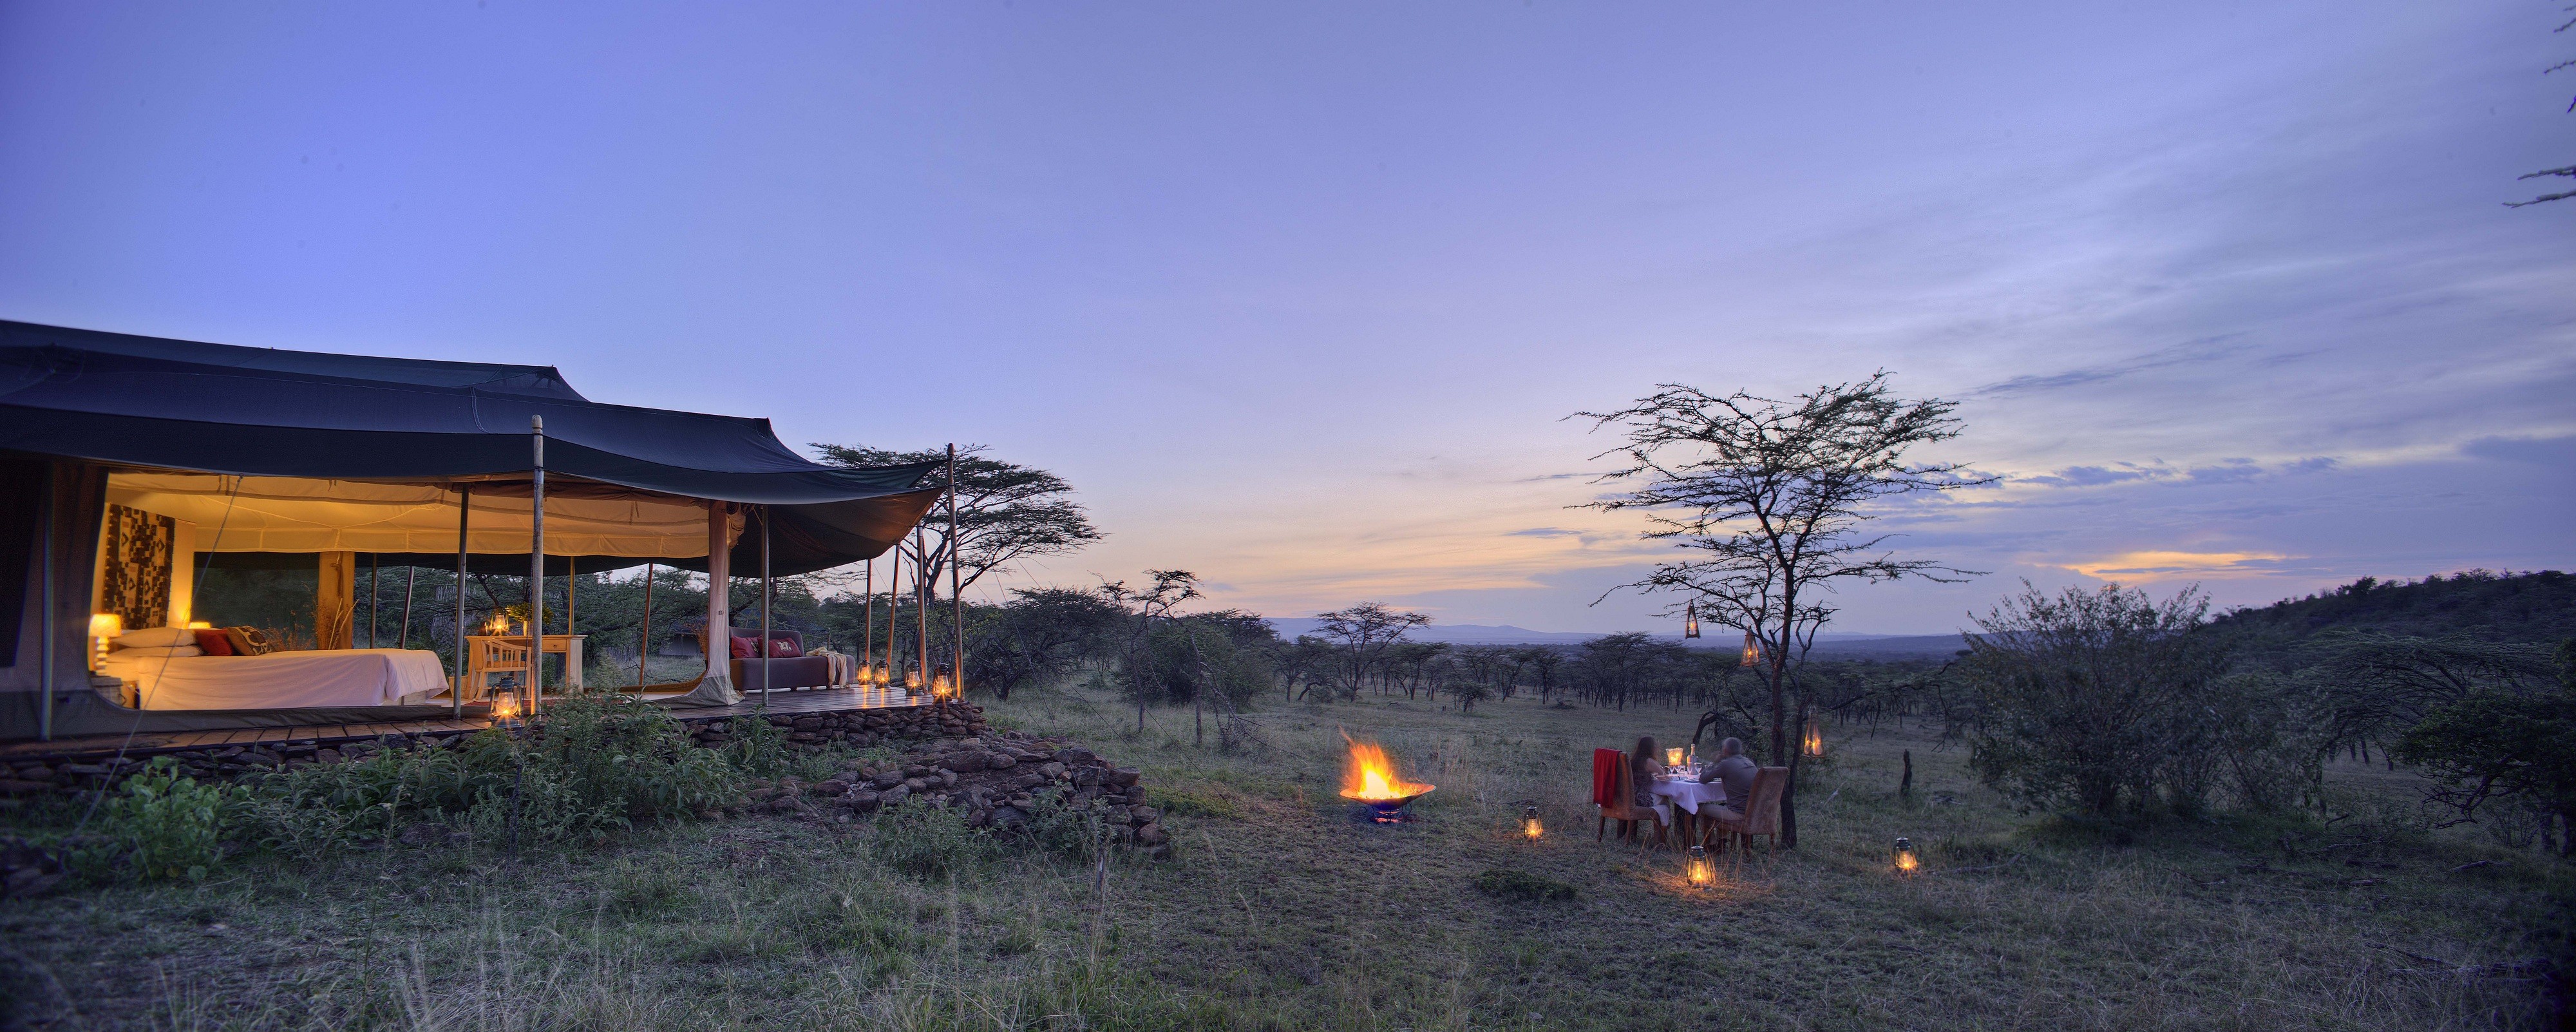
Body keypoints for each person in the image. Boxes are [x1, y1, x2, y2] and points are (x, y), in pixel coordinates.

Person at [1701, 737, 1758, 814]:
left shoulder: (1726, 764)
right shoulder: (1749, 762)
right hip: (1752, 811)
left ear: (1725, 750)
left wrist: (1713, 764)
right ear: (1740, 749)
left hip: (1737, 812)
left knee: (1699, 807)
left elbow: (1703, 779)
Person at [1630, 734, 1667, 807]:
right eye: (1655, 746)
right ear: (1651, 748)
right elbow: (1664, 775)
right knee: (1664, 798)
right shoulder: (1648, 761)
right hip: (1640, 798)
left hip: (1631, 796)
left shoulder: (1634, 760)